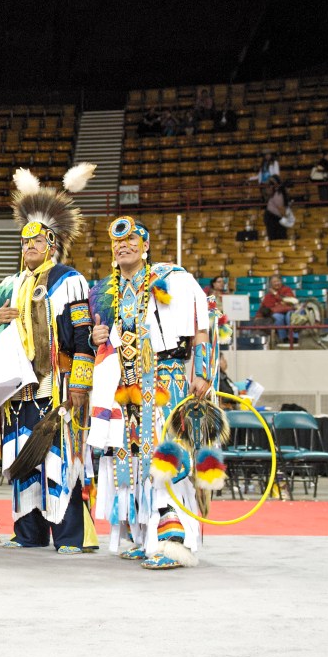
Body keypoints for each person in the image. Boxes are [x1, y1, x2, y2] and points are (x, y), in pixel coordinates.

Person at [88, 216, 215, 570]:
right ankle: (146, 536)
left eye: (132, 240)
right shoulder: (106, 291)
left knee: (165, 455)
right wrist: (97, 339)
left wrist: (201, 373)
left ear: (146, 246)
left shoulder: (172, 278)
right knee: (129, 459)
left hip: (166, 379)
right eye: (117, 243)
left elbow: (200, 327)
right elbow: (105, 338)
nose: (123, 246)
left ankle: (175, 543)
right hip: (125, 388)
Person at [0, 165, 96, 553]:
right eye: (24, 243)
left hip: (57, 384)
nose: (29, 247)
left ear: (52, 245)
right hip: (20, 388)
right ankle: (28, 533)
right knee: (22, 456)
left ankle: (68, 537)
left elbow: (83, 338)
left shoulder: (69, 280)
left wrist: (80, 383)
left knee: (59, 459)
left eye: (37, 242)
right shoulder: (12, 284)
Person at [256, 274, 298, 342]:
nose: (276, 283)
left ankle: (294, 337)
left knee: (290, 315)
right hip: (278, 313)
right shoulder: (268, 296)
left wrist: (276, 294)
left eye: (278, 281)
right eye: (274, 282)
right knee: (277, 316)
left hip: (289, 311)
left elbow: (290, 302)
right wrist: (258, 317)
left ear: (281, 281)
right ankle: (284, 338)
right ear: (271, 284)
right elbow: (263, 308)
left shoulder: (287, 290)